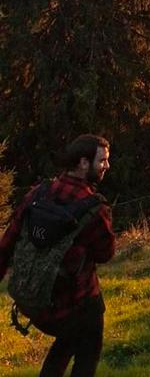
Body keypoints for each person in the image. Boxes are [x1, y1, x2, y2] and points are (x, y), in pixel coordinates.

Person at [0, 134, 115, 377]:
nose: (106, 166)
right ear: (83, 163)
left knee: (67, 340)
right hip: (74, 306)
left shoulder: (36, 195)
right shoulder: (94, 208)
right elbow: (106, 254)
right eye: (102, 161)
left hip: (34, 303)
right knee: (88, 343)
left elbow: (7, 243)